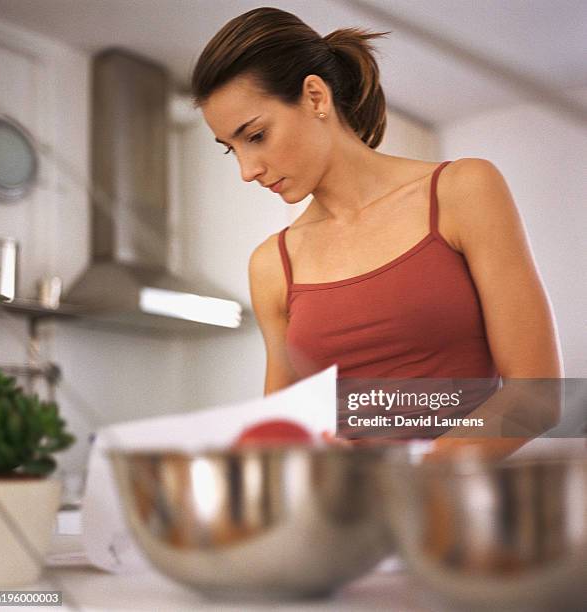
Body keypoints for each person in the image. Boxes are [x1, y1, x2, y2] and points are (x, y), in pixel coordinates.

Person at [191, 7, 562, 458]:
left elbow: (535, 396)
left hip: (457, 519)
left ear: (314, 97)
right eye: (231, 150)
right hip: (341, 523)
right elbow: (284, 440)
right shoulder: (272, 264)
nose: (247, 171)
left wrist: (401, 488)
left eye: (256, 135)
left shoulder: (463, 191)